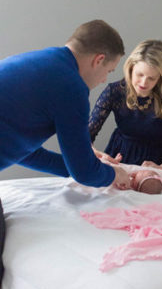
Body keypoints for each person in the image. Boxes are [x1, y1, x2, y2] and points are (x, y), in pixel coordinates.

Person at [0, 19, 131, 189]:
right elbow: (85, 173)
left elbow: (24, 152)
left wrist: (86, 164)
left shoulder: (45, 60)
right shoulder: (71, 87)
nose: (104, 79)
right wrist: (113, 174)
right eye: (109, 71)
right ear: (98, 60)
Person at [89, 40, 162, 174]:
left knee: (148, 188)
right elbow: (85, 136)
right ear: (131, 68)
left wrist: (161, 169)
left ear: (161, 77)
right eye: (140, 74)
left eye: (151, 78)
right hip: (121, 157)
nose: (144, 83)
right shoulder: (114, 92)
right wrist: (99, 156)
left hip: (159, 162)